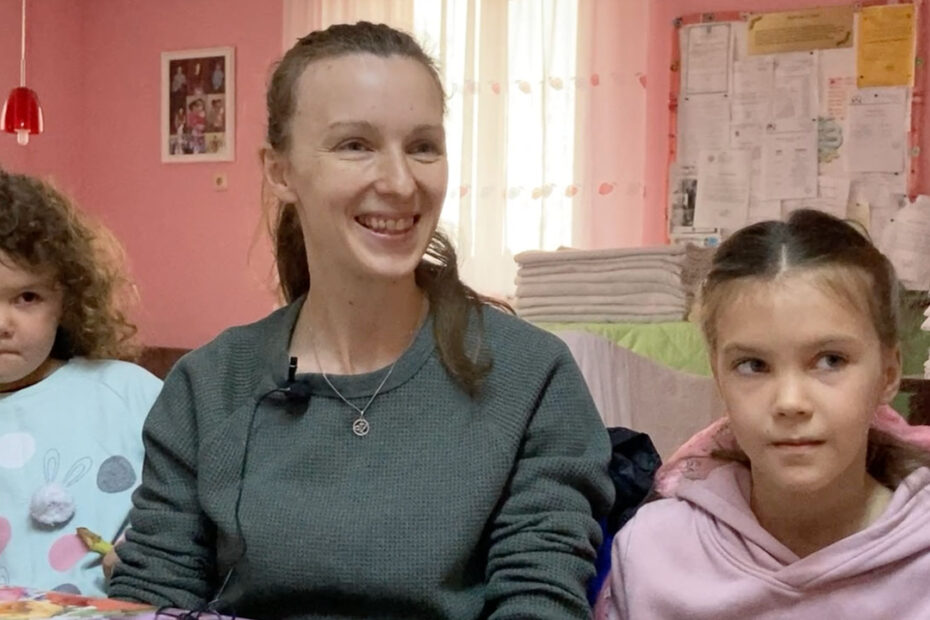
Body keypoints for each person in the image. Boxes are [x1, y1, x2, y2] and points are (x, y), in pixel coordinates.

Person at [108, 21, 614, 619]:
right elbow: (151, 597)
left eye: (423, 146)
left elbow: (541, 600)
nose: (401, 183)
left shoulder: (532, 377)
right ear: (280, 171)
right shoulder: (208, 385)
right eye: (355, 144)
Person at [597, 209, 930, 619]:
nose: (790, 402)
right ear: (719, 378)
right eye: (753, 365)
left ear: (889, 373)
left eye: (830, 360)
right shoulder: (650, 551)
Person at [0, 170, 162, 596]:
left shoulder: (128, 395)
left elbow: (199, 507)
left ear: (66, 301)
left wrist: (152, 553)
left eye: (27, 298)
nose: (2, 324)